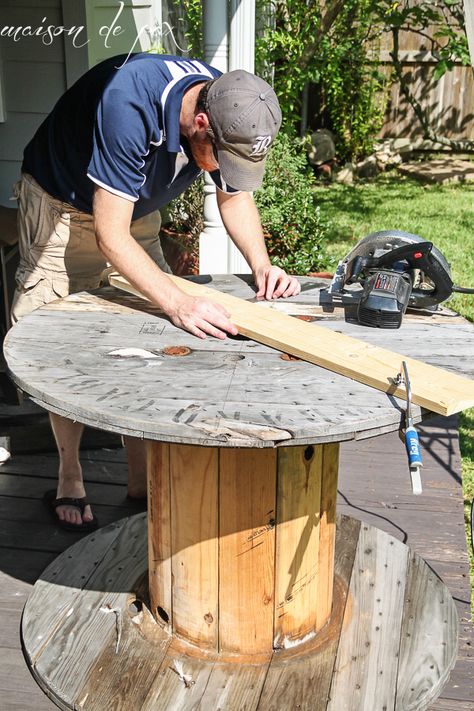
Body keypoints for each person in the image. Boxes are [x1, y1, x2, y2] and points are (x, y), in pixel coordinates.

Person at [10, 53, 301, 530]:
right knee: (57, 344)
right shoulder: (131, 103)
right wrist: (178, 299)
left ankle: (141, 481)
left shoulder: (229, 101)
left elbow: (234, 194)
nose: (223, 169)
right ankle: (70, 474)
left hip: (131, 208)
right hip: (62, 204)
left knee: (150, 333)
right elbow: (110, 234)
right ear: (200, 122)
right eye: (221, 156)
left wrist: (262, 265)